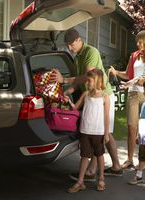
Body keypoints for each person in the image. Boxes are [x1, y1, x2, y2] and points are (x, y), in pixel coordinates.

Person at [52, 28, 122, 180]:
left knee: (103, 133)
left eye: (72, 44)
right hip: (91, 97)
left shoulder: (91, 52)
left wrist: (64, 80)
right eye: (68, 45)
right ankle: (114, 167)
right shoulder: (77, 56)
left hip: (103, 97)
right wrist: (65, 93)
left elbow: (86, 77)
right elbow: (78, 83)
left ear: (79, 40)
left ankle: (93, 170)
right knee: (102, 133)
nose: (70, 48)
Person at [109, 30, 145, 170]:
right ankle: (129, 159)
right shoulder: (134, 56)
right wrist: (116, 72)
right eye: (137, 41)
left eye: (140, 41)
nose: (138, 44)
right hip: (133, 94)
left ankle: (144, 161)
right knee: (131, 128)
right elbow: (128, 75)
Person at [67, 69, 109, 193]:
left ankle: (101, 178)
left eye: (89, 81)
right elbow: (75, 107)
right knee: (84, 156)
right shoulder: (85, 94)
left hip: (99, 132)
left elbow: (107, 117)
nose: (87, 83)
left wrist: (106, 133)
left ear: (97, 81)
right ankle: (80, 182)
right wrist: (68, 101)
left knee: (99, 155)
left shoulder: (105, 97)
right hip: (85, 131)